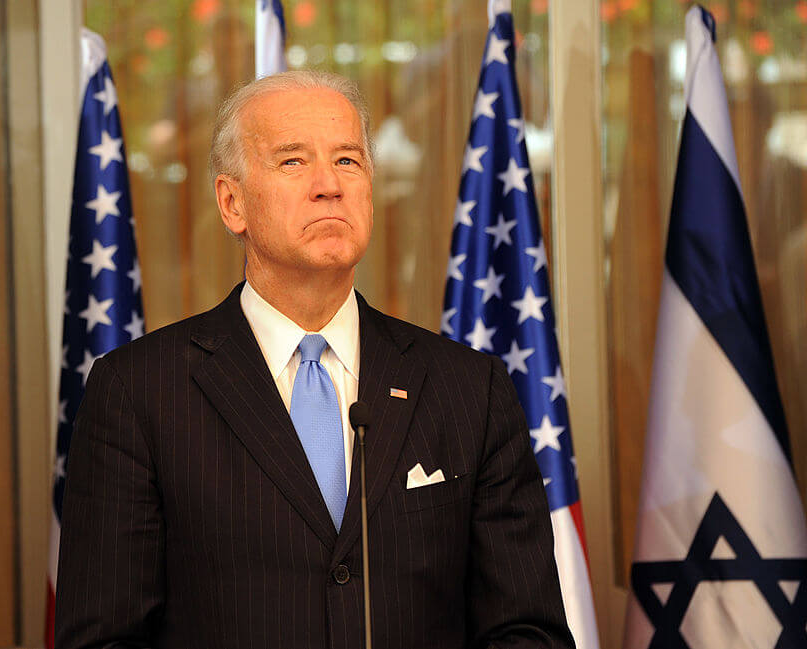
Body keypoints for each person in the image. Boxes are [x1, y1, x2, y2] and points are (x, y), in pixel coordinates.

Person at [54, 70, 574, 649]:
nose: (330, 184)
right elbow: (103, 638)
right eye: (293, 162)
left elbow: (529, 630)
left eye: (348, 161)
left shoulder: (468, 388)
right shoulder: (139, 391)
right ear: (232, 203)